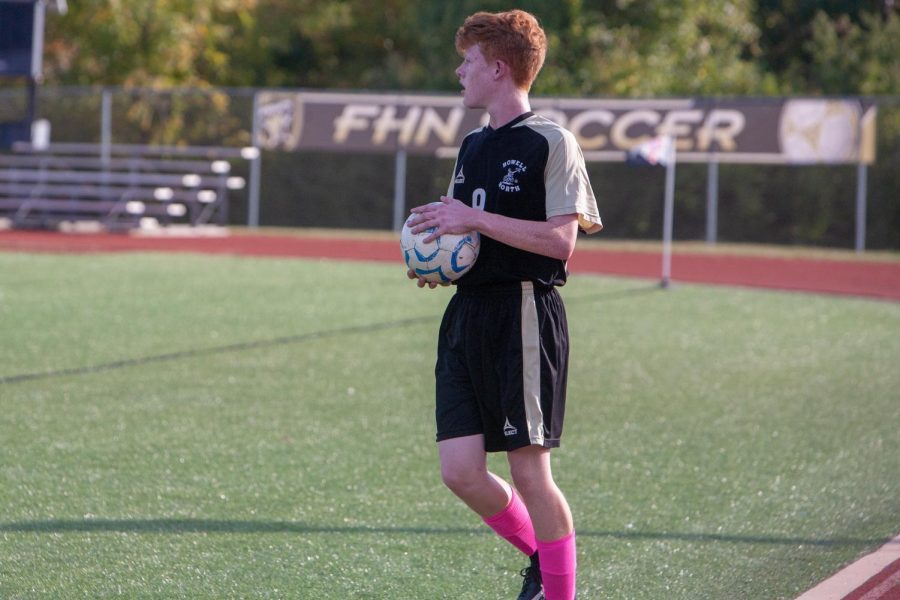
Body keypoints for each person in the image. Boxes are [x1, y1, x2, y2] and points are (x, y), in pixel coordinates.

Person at [406, 9, 602, 600]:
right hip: (467, 315)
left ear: (497, 67)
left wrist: (472, 218)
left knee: (528, 470)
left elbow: (561, 243)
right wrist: (439, 257)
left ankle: (559, 591)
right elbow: (468, 235)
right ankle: (549, 560)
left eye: (469, 60)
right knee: (460, 472)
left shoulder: (552, 141)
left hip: (523, 312)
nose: (460, 70)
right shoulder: (471, 146)